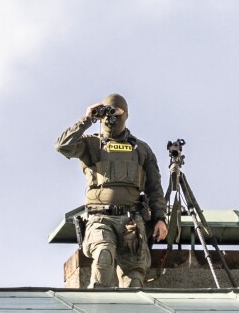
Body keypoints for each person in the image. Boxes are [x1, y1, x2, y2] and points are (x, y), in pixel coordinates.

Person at [55, 93, 168, 288]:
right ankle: (97, 306)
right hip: (100, 218)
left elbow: (154, 188)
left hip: (131, 221)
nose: (111, 116)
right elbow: (62, 146)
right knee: (103, 254)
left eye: (116, 111)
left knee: (134, 278)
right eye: (107, 111)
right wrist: (87, 119)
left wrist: (160, 218)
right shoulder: (91, 144)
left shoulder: (140, 149)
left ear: (125, 114)